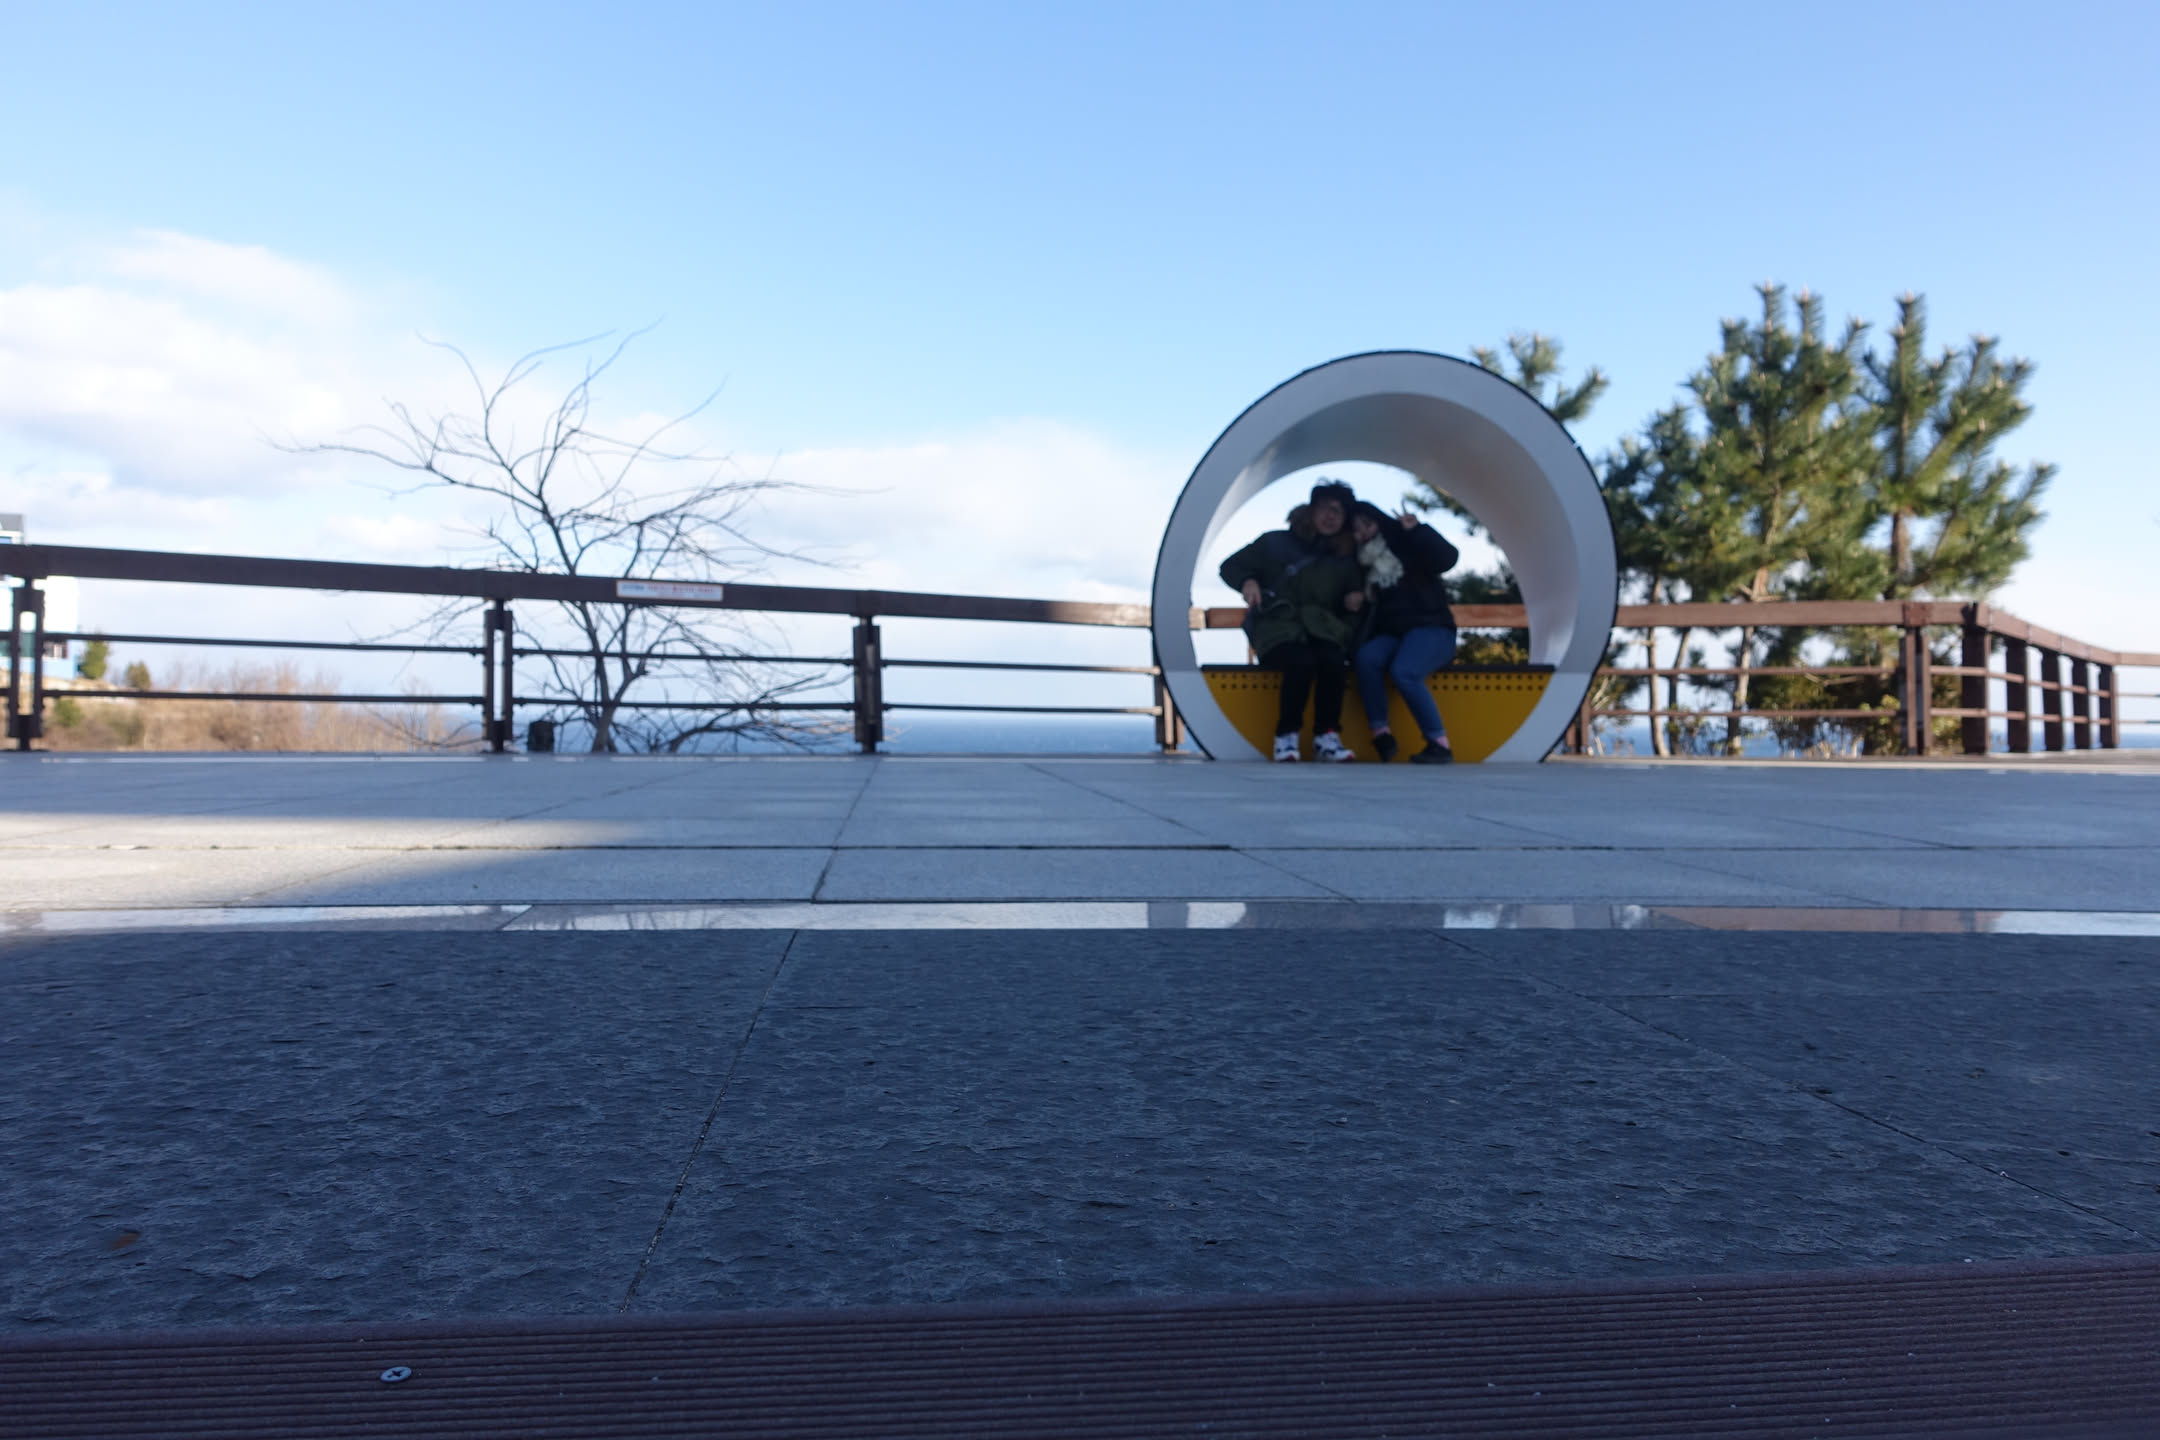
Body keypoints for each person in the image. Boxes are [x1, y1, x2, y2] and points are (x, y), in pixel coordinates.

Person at [1218, 480, 1363, 762]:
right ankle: (1286, 736)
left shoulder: (1345, 558)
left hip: (1322, 629)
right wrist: (1247, 581)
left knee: (1333, 662)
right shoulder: (1274, 543)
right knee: (1301, 663)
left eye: (1339, 511)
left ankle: (1327, 737)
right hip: (1277, 627)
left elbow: (1354, 599)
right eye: (1326, 508)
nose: (1331, 516)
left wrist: (1352, 605)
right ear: (1311, 509)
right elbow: (1230, 566)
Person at [1348, 500, 1461, 764]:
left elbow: (1447, 558)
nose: (1362, 532)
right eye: (1355, 529)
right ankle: (1382, 734)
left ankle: (1439, 743)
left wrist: (1418, 530)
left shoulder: (1406, 544)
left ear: (1379, 521)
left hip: (1433, 628)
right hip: (1395, 635)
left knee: (1405, 671)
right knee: (1366, 658)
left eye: (1367, 524)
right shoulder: (1363, 563)